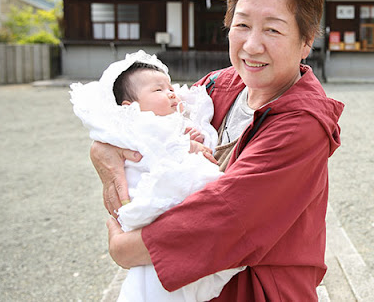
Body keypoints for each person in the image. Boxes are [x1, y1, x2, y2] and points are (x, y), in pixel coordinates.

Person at [89, 0, 345, 301]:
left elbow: (229, 217)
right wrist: (104, 146)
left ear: (305, 41)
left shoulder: (302, 124)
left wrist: (127, 250)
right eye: (242, 25)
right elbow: (147, 118)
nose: (252, 45)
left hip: (259, 290)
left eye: (273, 29)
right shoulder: (218, 86)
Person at [70, 50, 244, 301]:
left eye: (169, 86)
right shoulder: (143, 123)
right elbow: (157, 147)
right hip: (155, 201)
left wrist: (192, 138)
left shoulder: (173, 119)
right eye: (158, 90)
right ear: (130, 108)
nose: (171, 92)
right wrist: (190, 145)